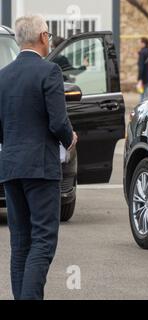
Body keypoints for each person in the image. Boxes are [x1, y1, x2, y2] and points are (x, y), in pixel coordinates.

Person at [0, 15, 77, 300]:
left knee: (20, 242)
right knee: (43, 241)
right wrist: (70, 138)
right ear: (43, 37)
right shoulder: (50, 72)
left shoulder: (3, 75)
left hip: (10, 167)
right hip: (41, 168)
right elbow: (58, 122)